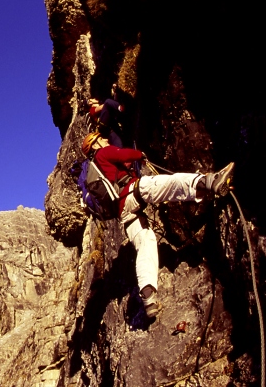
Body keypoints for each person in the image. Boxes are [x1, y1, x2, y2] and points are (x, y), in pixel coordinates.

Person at [81, 131, 235, 318]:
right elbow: (123, 154)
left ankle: (148, 296)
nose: (105, 139)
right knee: (171, 183)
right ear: (95, 144)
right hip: (133, 191)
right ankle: (209, 182)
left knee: (145, 242)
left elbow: (119, 170)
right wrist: (140, 155)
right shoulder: (102, 153)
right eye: (101, 139)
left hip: (124, 212)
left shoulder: (95, 170)